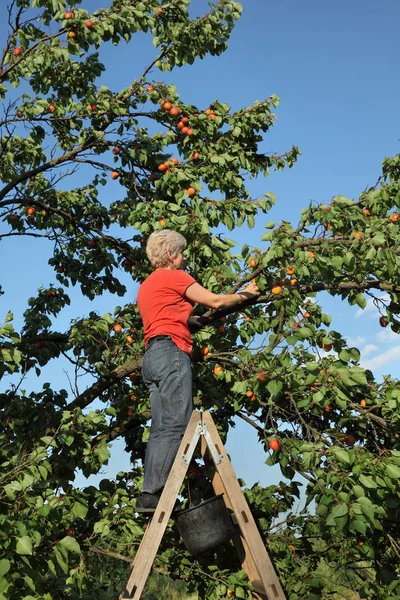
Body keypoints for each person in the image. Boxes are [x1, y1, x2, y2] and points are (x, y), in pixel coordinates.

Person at [135, 229, 260, 512]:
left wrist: (188, 321)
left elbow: (164, 315)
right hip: (171, 355)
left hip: (151, 357)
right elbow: (215, 301)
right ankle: (156, 494)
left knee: (160, 428)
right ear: (170, 254)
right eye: (181, 253)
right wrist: (244, 295)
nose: (184, 258)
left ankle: (148, 494)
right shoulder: (176, 276)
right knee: (178, 424)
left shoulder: (146, 286)